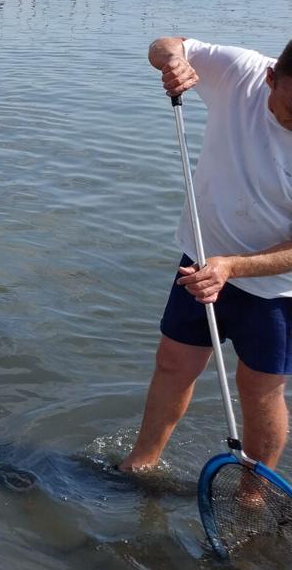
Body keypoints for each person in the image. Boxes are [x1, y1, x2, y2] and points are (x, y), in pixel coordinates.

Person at [119, 36, 292, 474]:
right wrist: (173, 61)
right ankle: (140, 464)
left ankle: (254, 494)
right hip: (201, 256)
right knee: (173, 363)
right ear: (271, 78)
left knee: (260, 389)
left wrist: (232, 266)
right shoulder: (243, 71)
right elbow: (165, 42)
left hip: (277, 287)